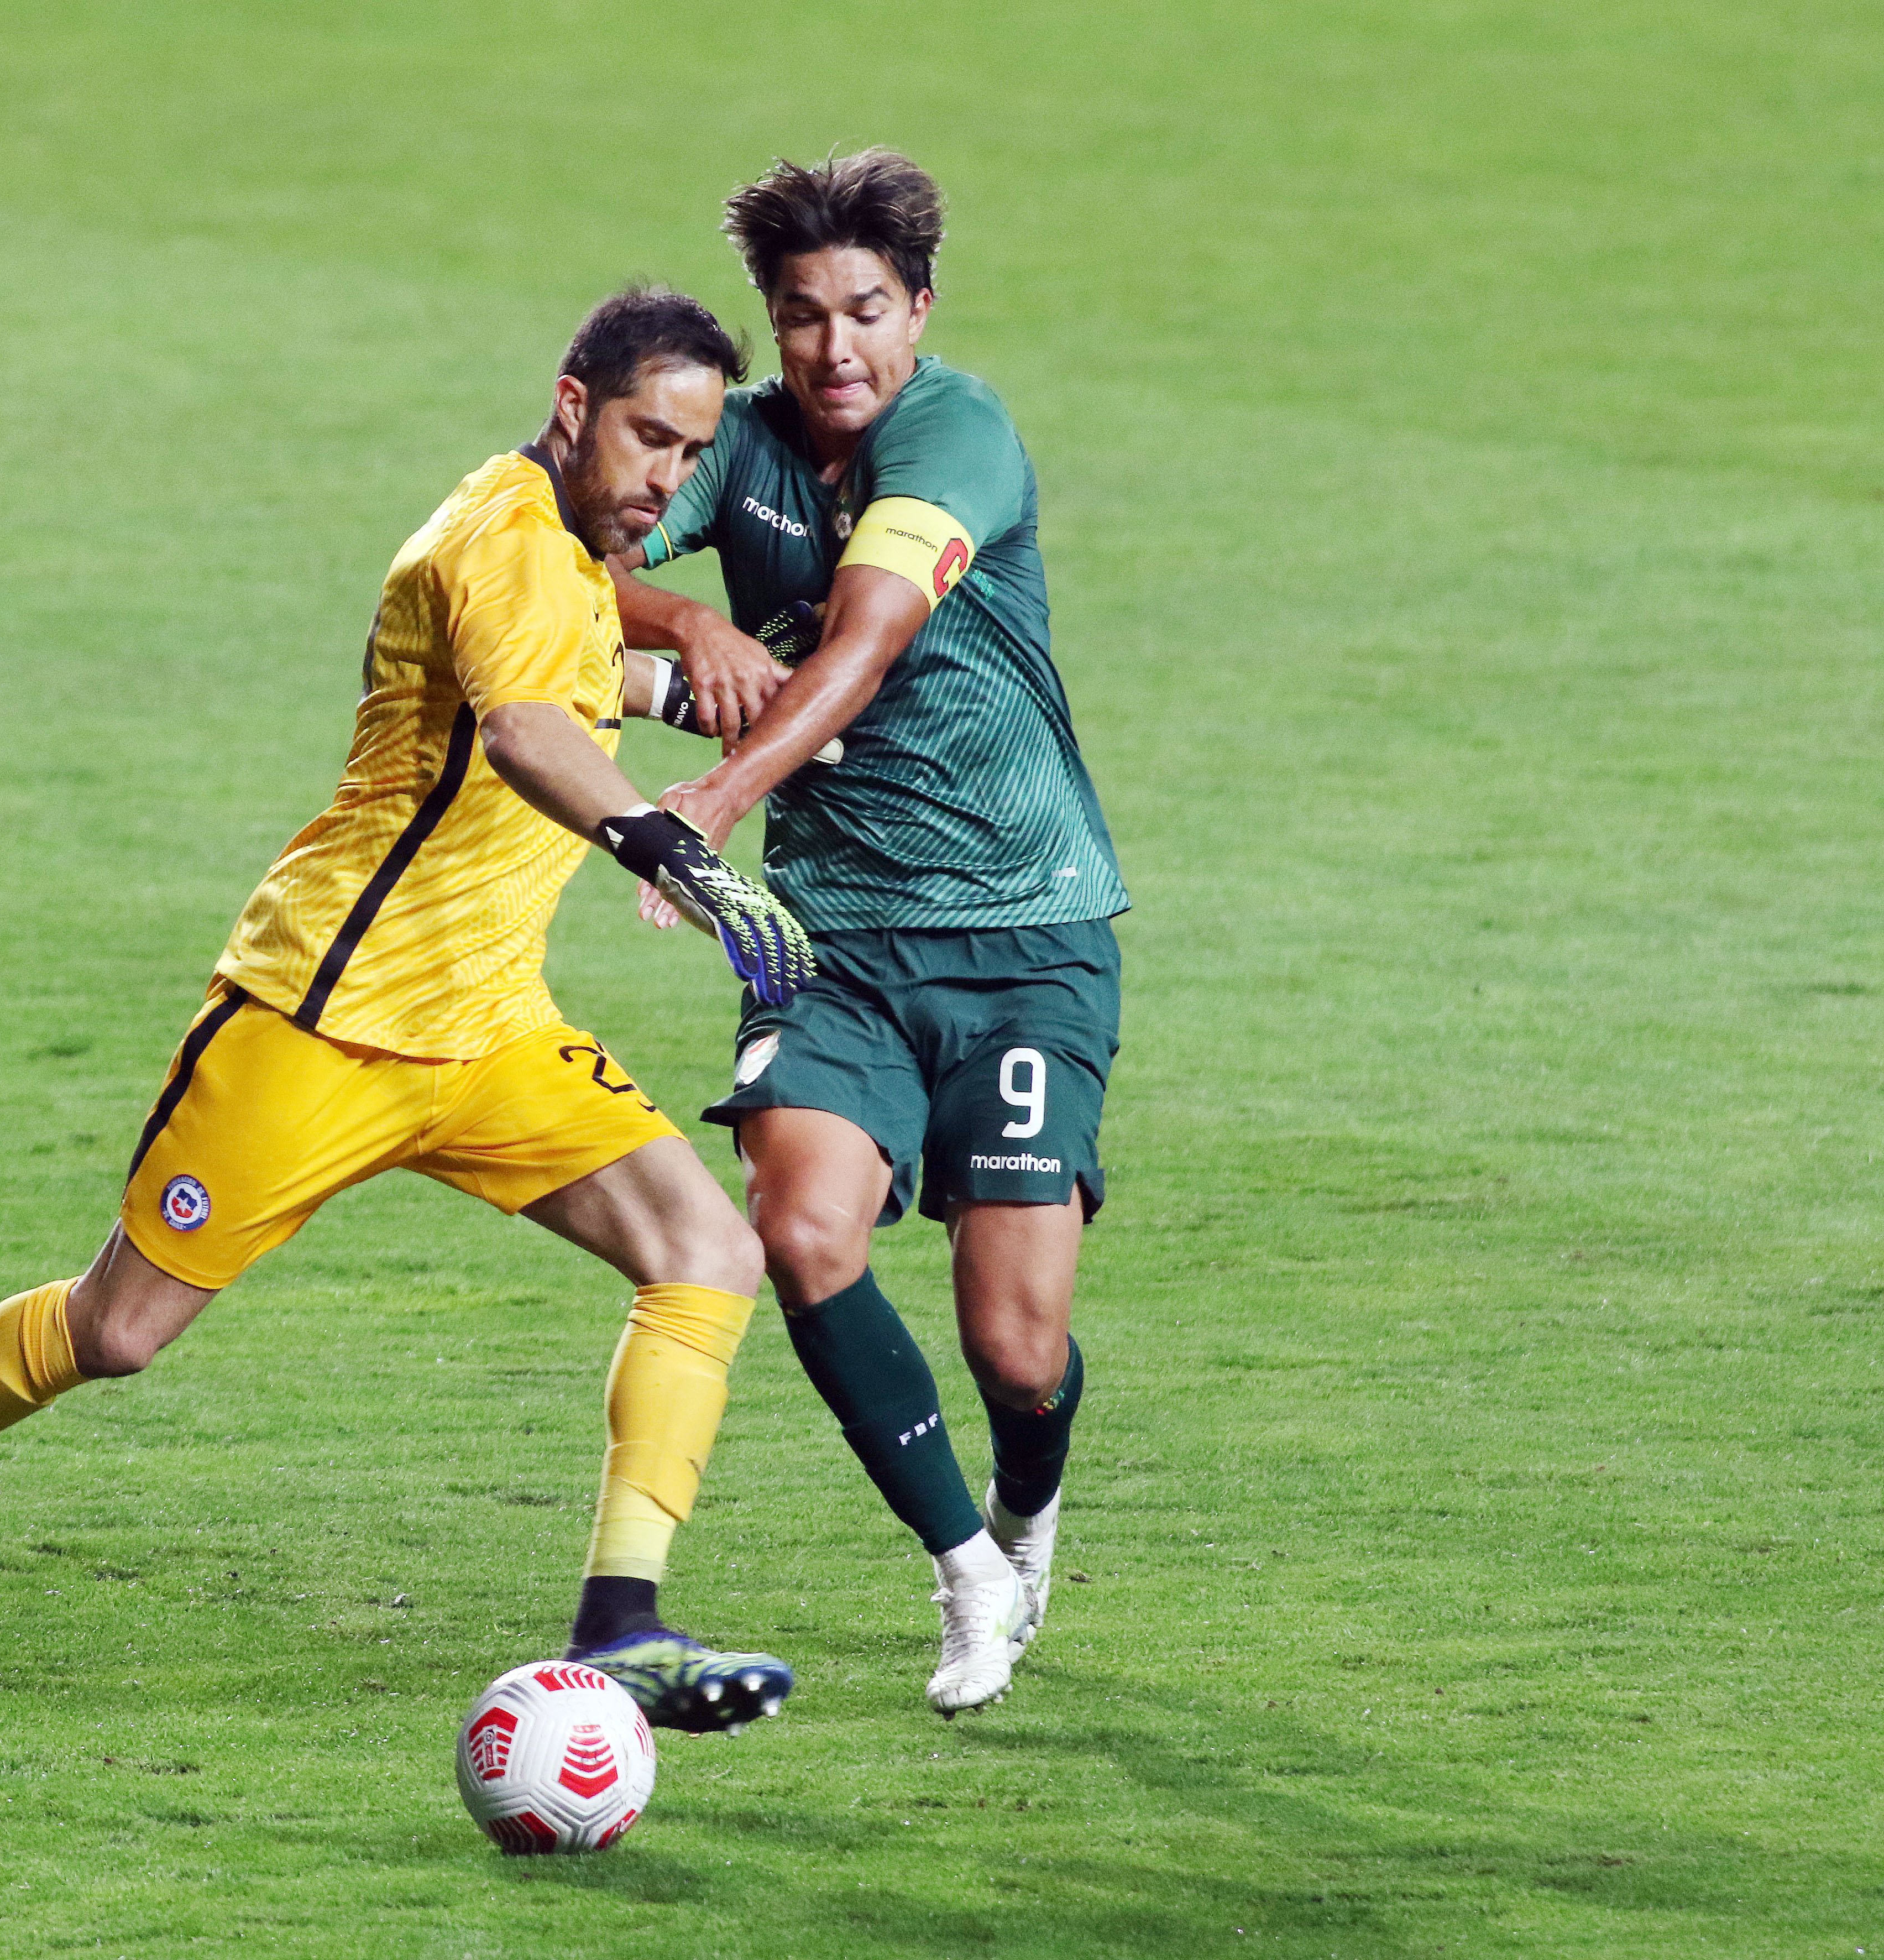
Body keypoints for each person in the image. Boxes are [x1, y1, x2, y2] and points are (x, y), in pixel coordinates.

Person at [0, 286, 818, 1733]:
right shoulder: (497, 537)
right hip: (319, 1019)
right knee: (117, 1330)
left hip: (490, 1034)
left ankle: (623, 1621)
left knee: (705, 1248)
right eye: (647, 435)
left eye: (689, 450)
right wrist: (681, 855)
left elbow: (571, 684)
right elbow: (520, 736)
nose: (663, 478)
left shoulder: (574, 557)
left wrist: (703, 683)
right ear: (574, 403)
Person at [611, 151, 1129, 1716]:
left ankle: (1028, 1499)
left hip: (1023, 933)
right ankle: (966, 1563)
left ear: (918, 310)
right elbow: (571, 551)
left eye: (863, 313)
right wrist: (684, 620)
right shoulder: (745, 440)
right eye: (801, 319)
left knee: (1016, 1343)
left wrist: (709, 796)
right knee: (801, 1226)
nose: (835, 350)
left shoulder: (954, 434)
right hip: (836, 937)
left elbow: (866, 637)